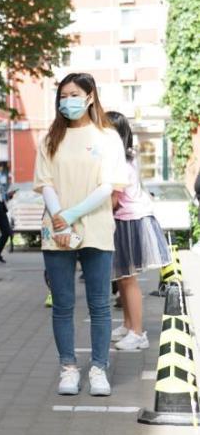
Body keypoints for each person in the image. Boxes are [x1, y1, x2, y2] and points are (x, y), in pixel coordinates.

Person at [34, 73, 128, 396]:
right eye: (62, 95)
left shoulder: (107, 137)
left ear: (90, 97)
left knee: (100, 305)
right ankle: (68, 368)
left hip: (96, 229)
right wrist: (60, 219)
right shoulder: (50, 139)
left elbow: (108, 186)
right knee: (62, 304)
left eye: (74, 94)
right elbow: (44, 182)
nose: (67, 101)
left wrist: (72, 216)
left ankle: (99, 368)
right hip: (56, 233)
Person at [106, 110, 171, 351]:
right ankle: (127, 324)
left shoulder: (120, 162)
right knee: (122, 278)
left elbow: (113, 199)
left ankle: (137, 332)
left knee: (128, 278)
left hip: (131, 220)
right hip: (129, 219)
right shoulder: (124, 158)